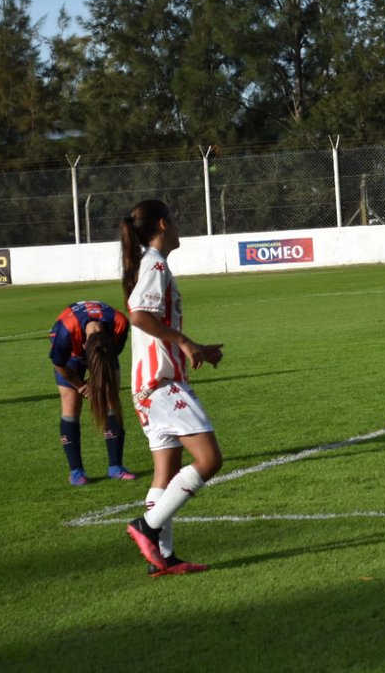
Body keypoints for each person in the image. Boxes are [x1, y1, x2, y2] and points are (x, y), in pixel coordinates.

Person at [120, 200, 224, 577]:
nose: (179, 226)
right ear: (163, 223)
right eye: (175, 220)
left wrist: (194, 346)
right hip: (160, 384)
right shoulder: (155, 264)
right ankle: (145, 527)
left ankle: (161, 560)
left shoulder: (151, 263)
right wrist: (183, 341)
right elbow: (139, 314)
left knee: (165, 474)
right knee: (210, 460)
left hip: (150, 386)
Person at [48, 300, 136, 485]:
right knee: (71, 406)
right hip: (69, 360)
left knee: (112, 399)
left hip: (104, 356)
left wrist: (99, 381)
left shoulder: (120, 323)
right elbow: (58, 363)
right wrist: (80, 385)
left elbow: (112, 355)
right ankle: (76, 472)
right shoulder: (66, 331)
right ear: (84, 343)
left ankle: (116, 467)